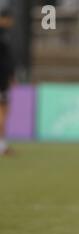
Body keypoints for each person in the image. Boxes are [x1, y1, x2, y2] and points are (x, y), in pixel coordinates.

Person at [0, 9, 14, 156]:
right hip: (2, 79)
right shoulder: (3, 35)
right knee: (3, 111)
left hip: (4, 78)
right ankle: (2, 145)